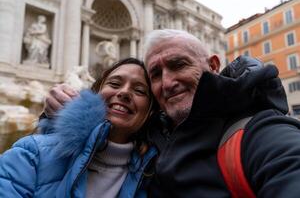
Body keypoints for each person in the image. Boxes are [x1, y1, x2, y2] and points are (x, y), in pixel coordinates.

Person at [41, 29, 300, 197]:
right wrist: (60, 113)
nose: (167, 82)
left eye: (179, 65)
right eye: (155, 74)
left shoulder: (258, 133)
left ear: (212, 65)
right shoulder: (148, 134)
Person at [0, 58, 158, 198]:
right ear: (96, 93)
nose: (124, 92)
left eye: (139, 91)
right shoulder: (31, 153)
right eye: (115, 84)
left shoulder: (152, 175)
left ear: (151, 112)